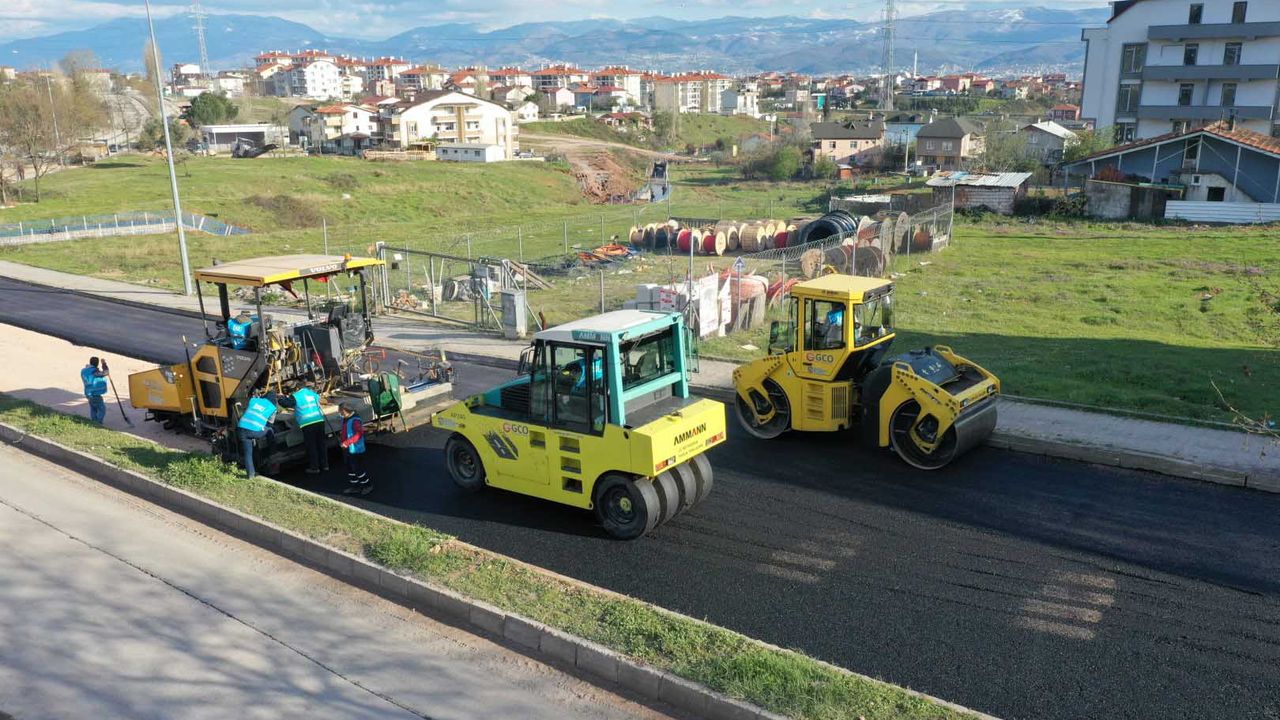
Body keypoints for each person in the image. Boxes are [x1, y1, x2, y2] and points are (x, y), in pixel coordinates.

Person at [236, 392, 279, 479]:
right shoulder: (273, 408)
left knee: (248, 453)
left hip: (241, 428)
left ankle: (250, 475)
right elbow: (270, 424)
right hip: (254, 431)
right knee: (270, 430)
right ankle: (273, 453)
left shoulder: (254, 400)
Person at [289, 385, 329, 475]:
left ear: (296, 388)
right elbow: (319, 401)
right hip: (319, 420)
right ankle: (325, 465)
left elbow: (286, 403)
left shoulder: (296, 396)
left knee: (312, 446)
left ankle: (315, 467)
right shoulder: (312, 393)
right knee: (321, 444)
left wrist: (281, 398)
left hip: (307, 423)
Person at [338, 402, 371, 496]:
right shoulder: (346, 418)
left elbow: (359, 434)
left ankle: (367, 485)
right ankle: (355, 486)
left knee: (358, 469)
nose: (339, 413)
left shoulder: (355, 421)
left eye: (340, 411)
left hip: (355, 449)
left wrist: (346, 442)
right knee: (350, 469)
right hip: (347, 449)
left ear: (346, 411)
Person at [80, 357, 109, 424]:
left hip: (88, 392)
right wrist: (104, 364)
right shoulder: (94, 372)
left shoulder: (84, 371)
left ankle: (94, 421)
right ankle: (98, 422)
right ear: (97, 364)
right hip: (95, 393)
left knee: (93, 408)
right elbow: (106, 372)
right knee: (102, 409)